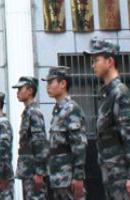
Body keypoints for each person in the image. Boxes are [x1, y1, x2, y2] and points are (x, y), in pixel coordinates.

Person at [84, 37, 130, 200]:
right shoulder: (108, 95)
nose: (93, 65)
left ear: (110, 61)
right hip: (112, 175)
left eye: (96, 60)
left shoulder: (120, 94)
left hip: (123, 177)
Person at [44, 67, 87, 200]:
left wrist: (78, 176)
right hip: (58, 177)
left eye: (51, 82)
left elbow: (79, 145)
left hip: (68, 177)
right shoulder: (58, 110)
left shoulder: (72, 109)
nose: (47, 86)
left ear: (63, 84)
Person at [12, 76, 48, 200]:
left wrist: (39, 172)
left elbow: (40, 143)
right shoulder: (27, 112)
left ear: (30, 91)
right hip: (27, 170)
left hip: (33, 171)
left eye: (20, 89)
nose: (17, 92)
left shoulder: (34, 112)